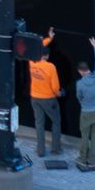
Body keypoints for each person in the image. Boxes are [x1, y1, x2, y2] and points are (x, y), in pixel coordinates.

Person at [27, 27, 62, 156]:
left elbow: (37, 47)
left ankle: (40, 151)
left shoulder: (32, 62)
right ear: (47, 56)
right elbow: (55, 87)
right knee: (56, 122)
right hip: (48, 99)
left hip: (34, 98)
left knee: (39, 124)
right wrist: (58, 93)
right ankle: (55, 149)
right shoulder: (50, 67)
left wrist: (49, 39)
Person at [76, 37, 95, 171]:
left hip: (86, 113)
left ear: (81, 71)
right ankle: (92, 160)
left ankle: (82, 159)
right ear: (88, 69)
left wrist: (84, 104)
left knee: (85, 137)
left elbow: (79, 97)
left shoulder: (80, 84)